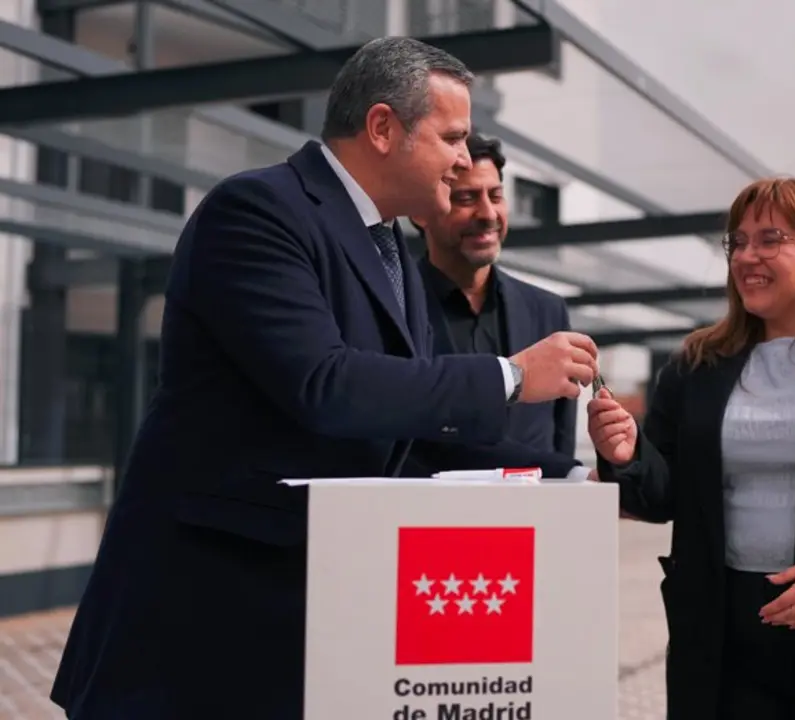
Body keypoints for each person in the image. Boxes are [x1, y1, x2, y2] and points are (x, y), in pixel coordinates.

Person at [50, 38, 598, 720]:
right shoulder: (257, 211)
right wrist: (510, 376)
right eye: (452, 137)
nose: (464, 159)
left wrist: (575, 482)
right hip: (198, 628)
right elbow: (324, 385)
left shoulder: (388, 246)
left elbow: (408, 425)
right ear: (381, 128)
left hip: (293, 631)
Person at [589, 178, 795, 719]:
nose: (747, 256)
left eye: (771, 240)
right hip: (723, 627)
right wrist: (627, 455)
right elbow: (664, 496)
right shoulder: (699, 362)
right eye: (737, 242)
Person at [402, 132, 586, 480]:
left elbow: (560, 441)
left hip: (529, 524)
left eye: (496, 195)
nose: (487, 213)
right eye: (466, 198)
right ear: (421, 213)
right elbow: (409, 440)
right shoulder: (393, 304)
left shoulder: (548, 312)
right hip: (425, 523)